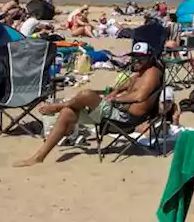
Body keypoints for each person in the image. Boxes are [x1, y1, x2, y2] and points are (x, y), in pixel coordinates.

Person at [14, 42, 163, 167]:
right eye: (135, 57)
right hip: (114, 114)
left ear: (150, 58)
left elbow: (140, 96)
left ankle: (57, 107)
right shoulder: (141, 72)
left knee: (85, 95)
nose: (136, 61)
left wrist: (114, 99)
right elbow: (129, 84)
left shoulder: (152, 73)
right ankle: (39, 156)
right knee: (68, 113)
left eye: (141, 58)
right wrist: (115, 91)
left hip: (125, 119)